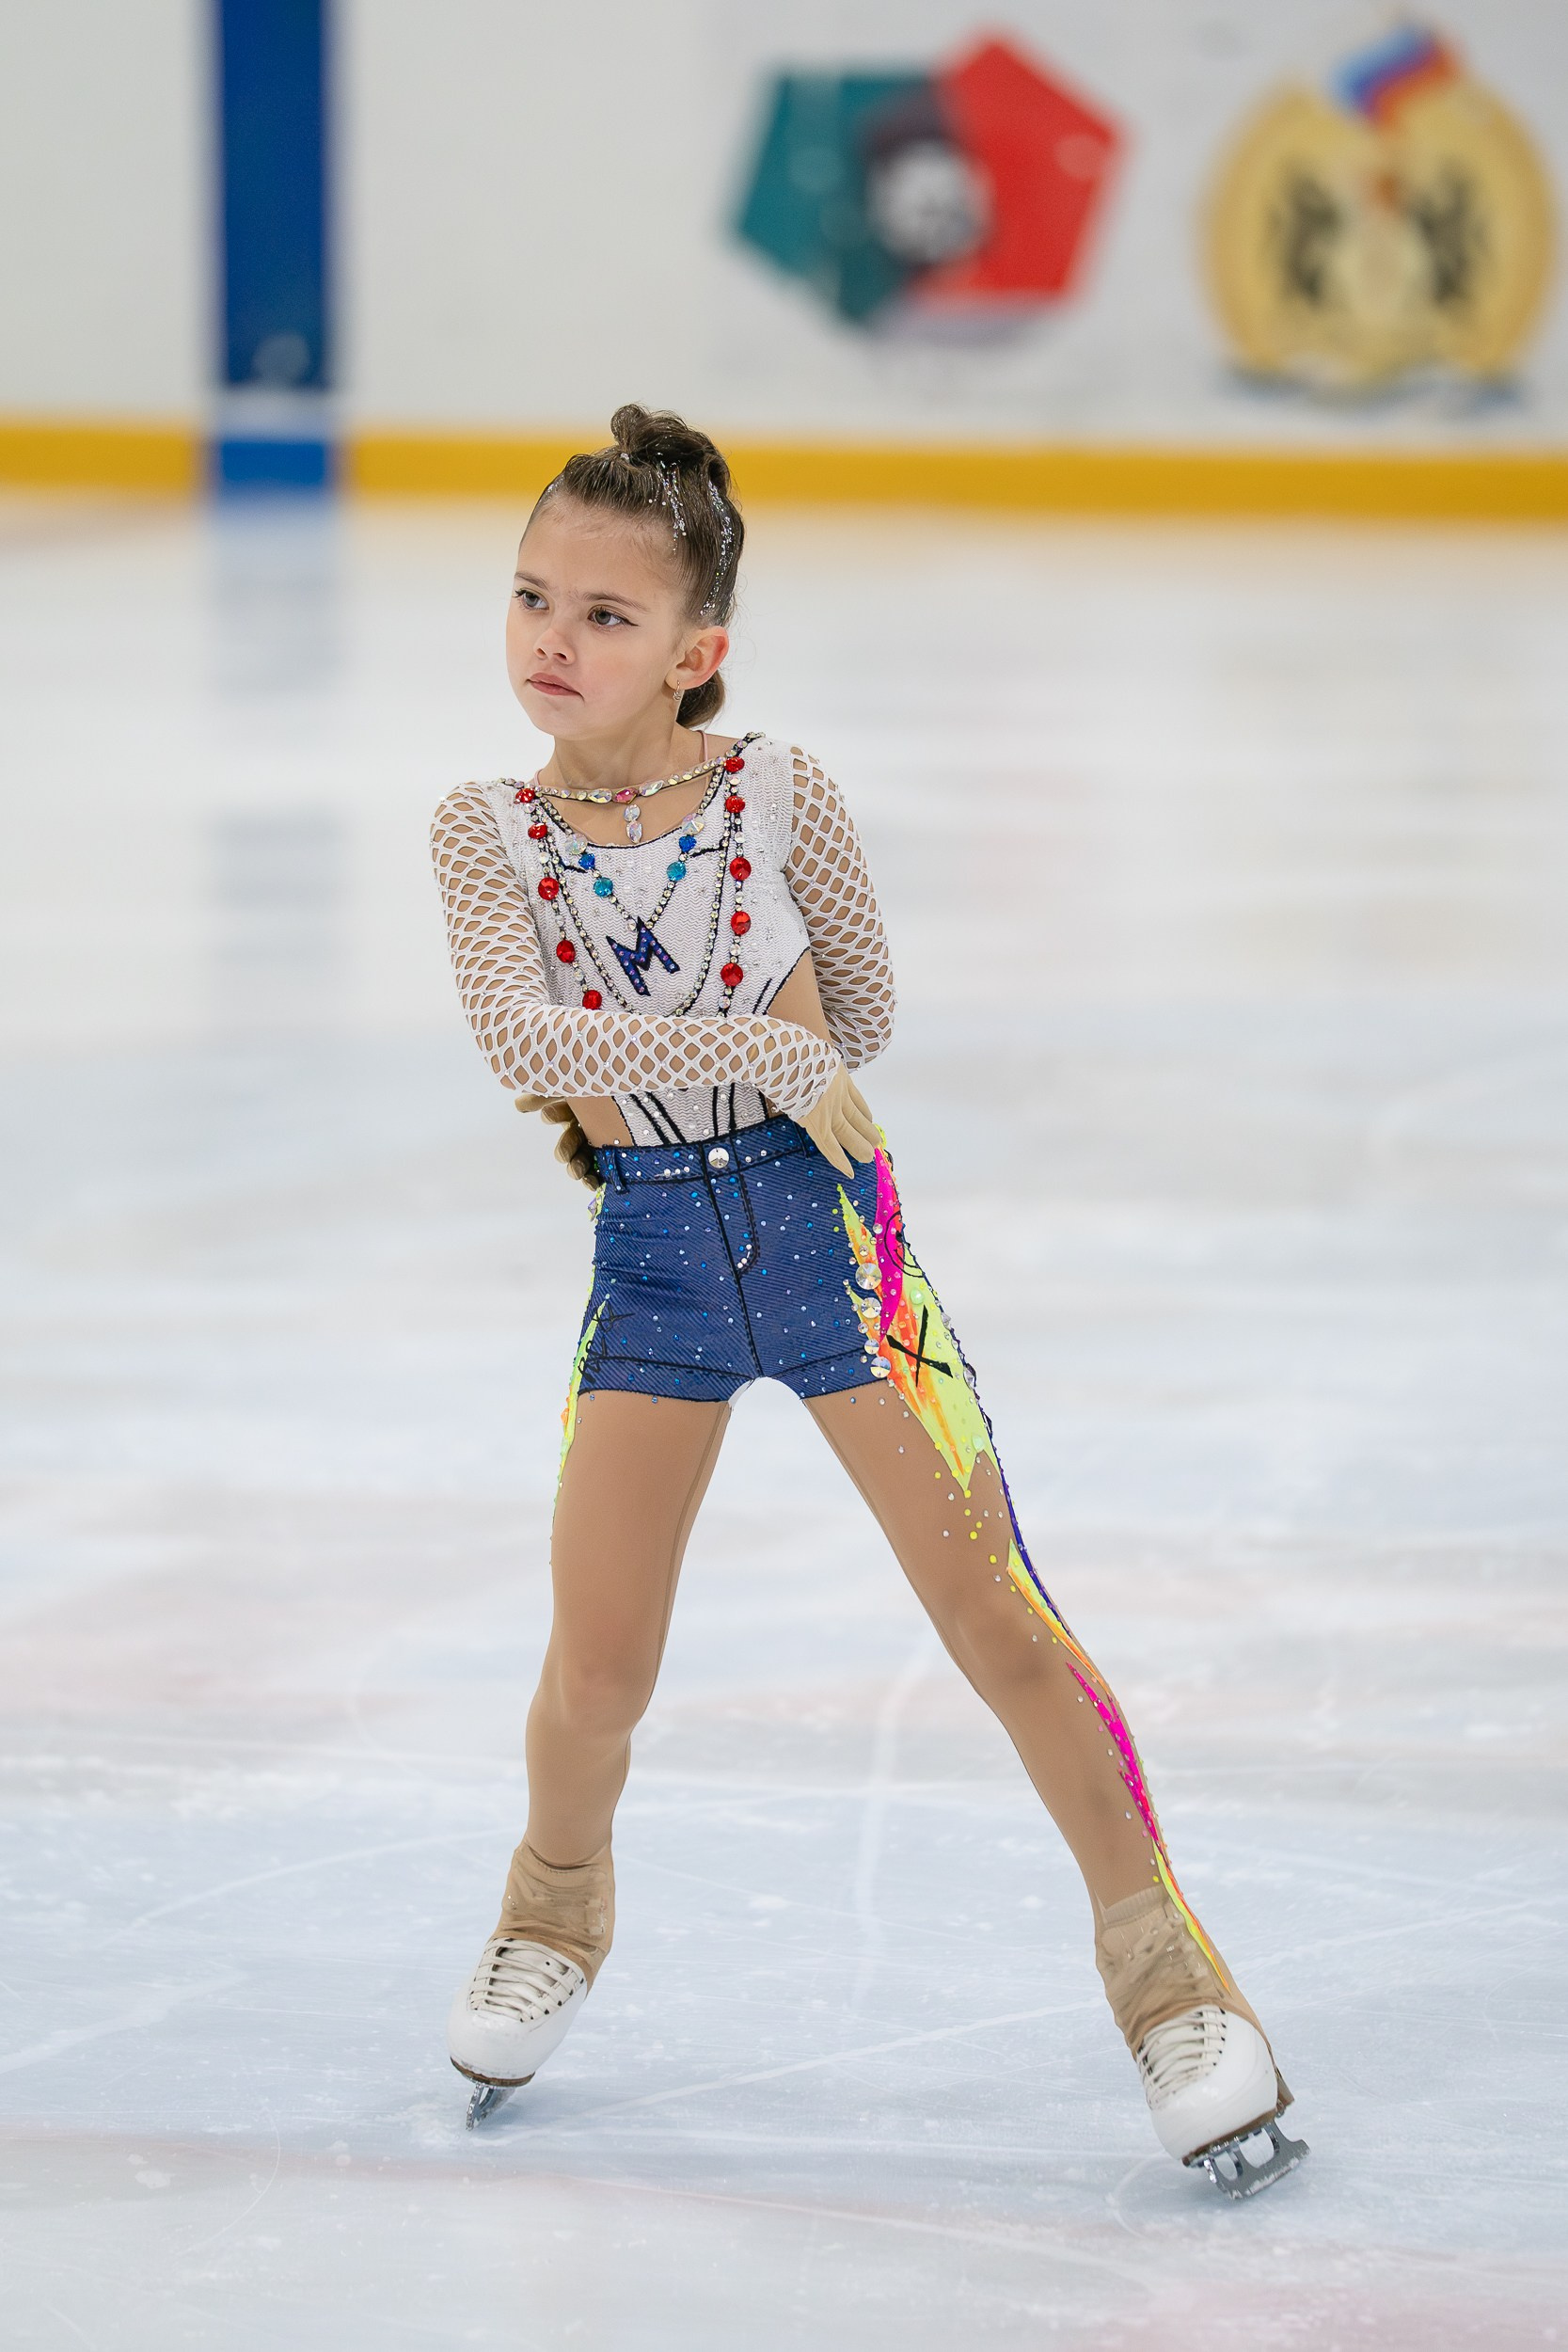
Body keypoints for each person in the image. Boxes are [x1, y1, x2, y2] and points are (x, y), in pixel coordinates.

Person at [429, 405, 1305, 2196]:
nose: (551, 638)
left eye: (605, 613)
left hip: (840, 1242)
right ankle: (554, 1907)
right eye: (531, 594)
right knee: (597, 1667)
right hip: (655, 1255)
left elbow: (870, 1013)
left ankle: (1171, 1977)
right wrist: (754, 1037)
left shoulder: (779, 790)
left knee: (997, 1618)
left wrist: (770, 1044)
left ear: (701, 652)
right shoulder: (482, 834)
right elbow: (518, 1035)